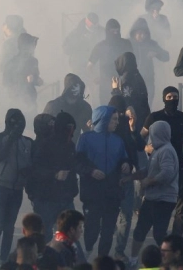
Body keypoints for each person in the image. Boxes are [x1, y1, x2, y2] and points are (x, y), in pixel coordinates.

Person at [76, 106, 132, 257]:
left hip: (112, 192)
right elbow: (78, 163)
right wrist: (91, 171)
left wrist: (126, 164)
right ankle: (88, 253)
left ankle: (102, 262)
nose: (116, 123)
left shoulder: (118, 140)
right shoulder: (85, 138)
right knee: (91, 228)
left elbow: (124, 158)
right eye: (113, 119)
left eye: (117, 120)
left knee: (108, 231)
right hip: (92, 193)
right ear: (103, 119)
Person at [124, 121, 179, 269]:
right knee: (140, 229)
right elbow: (147, 171)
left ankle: (175, 260)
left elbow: (167, 173)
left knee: (159, 233)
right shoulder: (156, 151)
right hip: (151, 198)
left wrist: (150, 182)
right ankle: (133, 259)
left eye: (152, 133)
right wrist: (129, 178)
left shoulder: (167, 150)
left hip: (164, 199)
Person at [141, 87, 183, 236]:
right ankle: (160, 235)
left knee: (182, 206)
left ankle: (176, 239)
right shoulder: (154, 117)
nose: (172, 100)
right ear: (164, 98)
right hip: (159, 165)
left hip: (179, 164)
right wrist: (147, 148)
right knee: (160, 203)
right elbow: (141, 139)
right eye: (169, 97)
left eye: (175, 97)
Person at [0, 109, 33, 269]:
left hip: (17, 189)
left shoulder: (28, 142)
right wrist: (10, 138)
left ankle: (4, 259)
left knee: (9, 227)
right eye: (13, 122)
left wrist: (26, 172)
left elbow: (32, 164)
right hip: (0, 187)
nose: (17, 126)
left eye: (20, 123)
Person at [108, 96, 145, 263]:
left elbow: (139, 146)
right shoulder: (107, 129)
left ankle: (118, 250)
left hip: (127, 177)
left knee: (126, 215)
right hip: (109, 178)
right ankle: (111, 249)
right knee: (113, 214)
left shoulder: (125, 128)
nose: (118, 118)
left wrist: (133, 128)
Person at [31, 112, 79, 242]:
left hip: (66, 197)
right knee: (44, 236)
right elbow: (35, 170)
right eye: (69, 127)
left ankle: (66, 259)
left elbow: (73, 167)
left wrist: (73, 188)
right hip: (47, 198)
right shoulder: (45, 145)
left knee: (70, 232)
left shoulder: (71, 146)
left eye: (73, 127)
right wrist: (54, 174)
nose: (71, 131)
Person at [88, 19, 133, 104]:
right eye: (113, 31)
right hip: (105, 86)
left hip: (124, 84)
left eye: (117, 30)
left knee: (125, 110)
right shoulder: (100, 46)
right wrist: (94, 77)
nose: (116, 33)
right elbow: (90, 65)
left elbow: (133, 62)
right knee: (107, 110)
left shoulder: (126, 44)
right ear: (108, 31)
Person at [3, 33, 42, 124]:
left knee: (31, 126)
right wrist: (24, 80)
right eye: (32, 44)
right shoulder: (12, 63)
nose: (34, 47)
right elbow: (6, 82)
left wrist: (37, 80)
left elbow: (35, 77)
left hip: (31, 100)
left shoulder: (33, 61)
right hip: (17, 101)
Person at [128, 18, 169, 105]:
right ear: (134, 32)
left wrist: (156, 53)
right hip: (131, 81)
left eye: (144, 33)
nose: (142, 36)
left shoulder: (151, 44)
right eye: (139, 33)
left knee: (147, 104)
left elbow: (166, 56)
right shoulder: (127, 44)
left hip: (147, 81)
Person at [43, 73, 92, 143]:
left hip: (75, 147)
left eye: (78, 86)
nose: (76, 88)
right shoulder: (53, 106)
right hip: (55, 146)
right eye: (73, 86)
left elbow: (87, 131)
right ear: (67, 87)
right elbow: (42, 128)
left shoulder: (85, 107)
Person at [111, 52, 151, 133]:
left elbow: (122, 101)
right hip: (143, 115)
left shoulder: (126, 78)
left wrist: (115, 90)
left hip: (131, 118)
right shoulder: (137, 76)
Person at [63, 12, 105, 79]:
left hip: (96, 67)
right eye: (92, 24)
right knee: (82, 87)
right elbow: (66, 49)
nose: (94, 26)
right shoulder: (76, 33)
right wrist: (78, 43)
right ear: (87, 21)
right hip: (80, 68)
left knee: (97, 87)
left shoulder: (103, 32)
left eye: (95, 24)